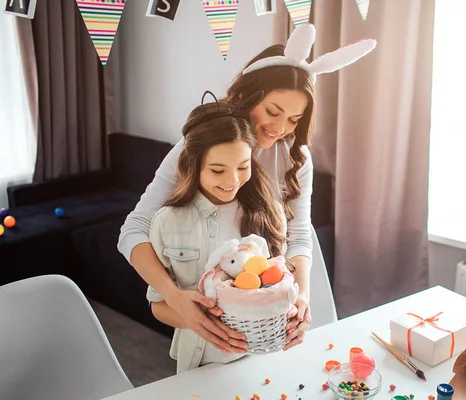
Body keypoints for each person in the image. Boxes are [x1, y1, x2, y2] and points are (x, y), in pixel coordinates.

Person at [118, 23, 376, 353]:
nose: (281, 128)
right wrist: (173, 296)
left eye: (294, 119)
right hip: (221, 312)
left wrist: (303, 296)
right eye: (273, 111)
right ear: (248, 94)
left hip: (276, 297)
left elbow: (299, 235)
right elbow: (134, 230)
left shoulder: (295, 157)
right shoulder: (199, 146)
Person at [147, 99, 288, 373]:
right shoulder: (169, 222)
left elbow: (280, 283)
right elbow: (158, 305)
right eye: (217, 170)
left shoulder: (269, 213)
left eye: (243, 166)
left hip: (265, 360)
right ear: (194, 165)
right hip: (201, 364)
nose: (232, 180)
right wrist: (202, 323)